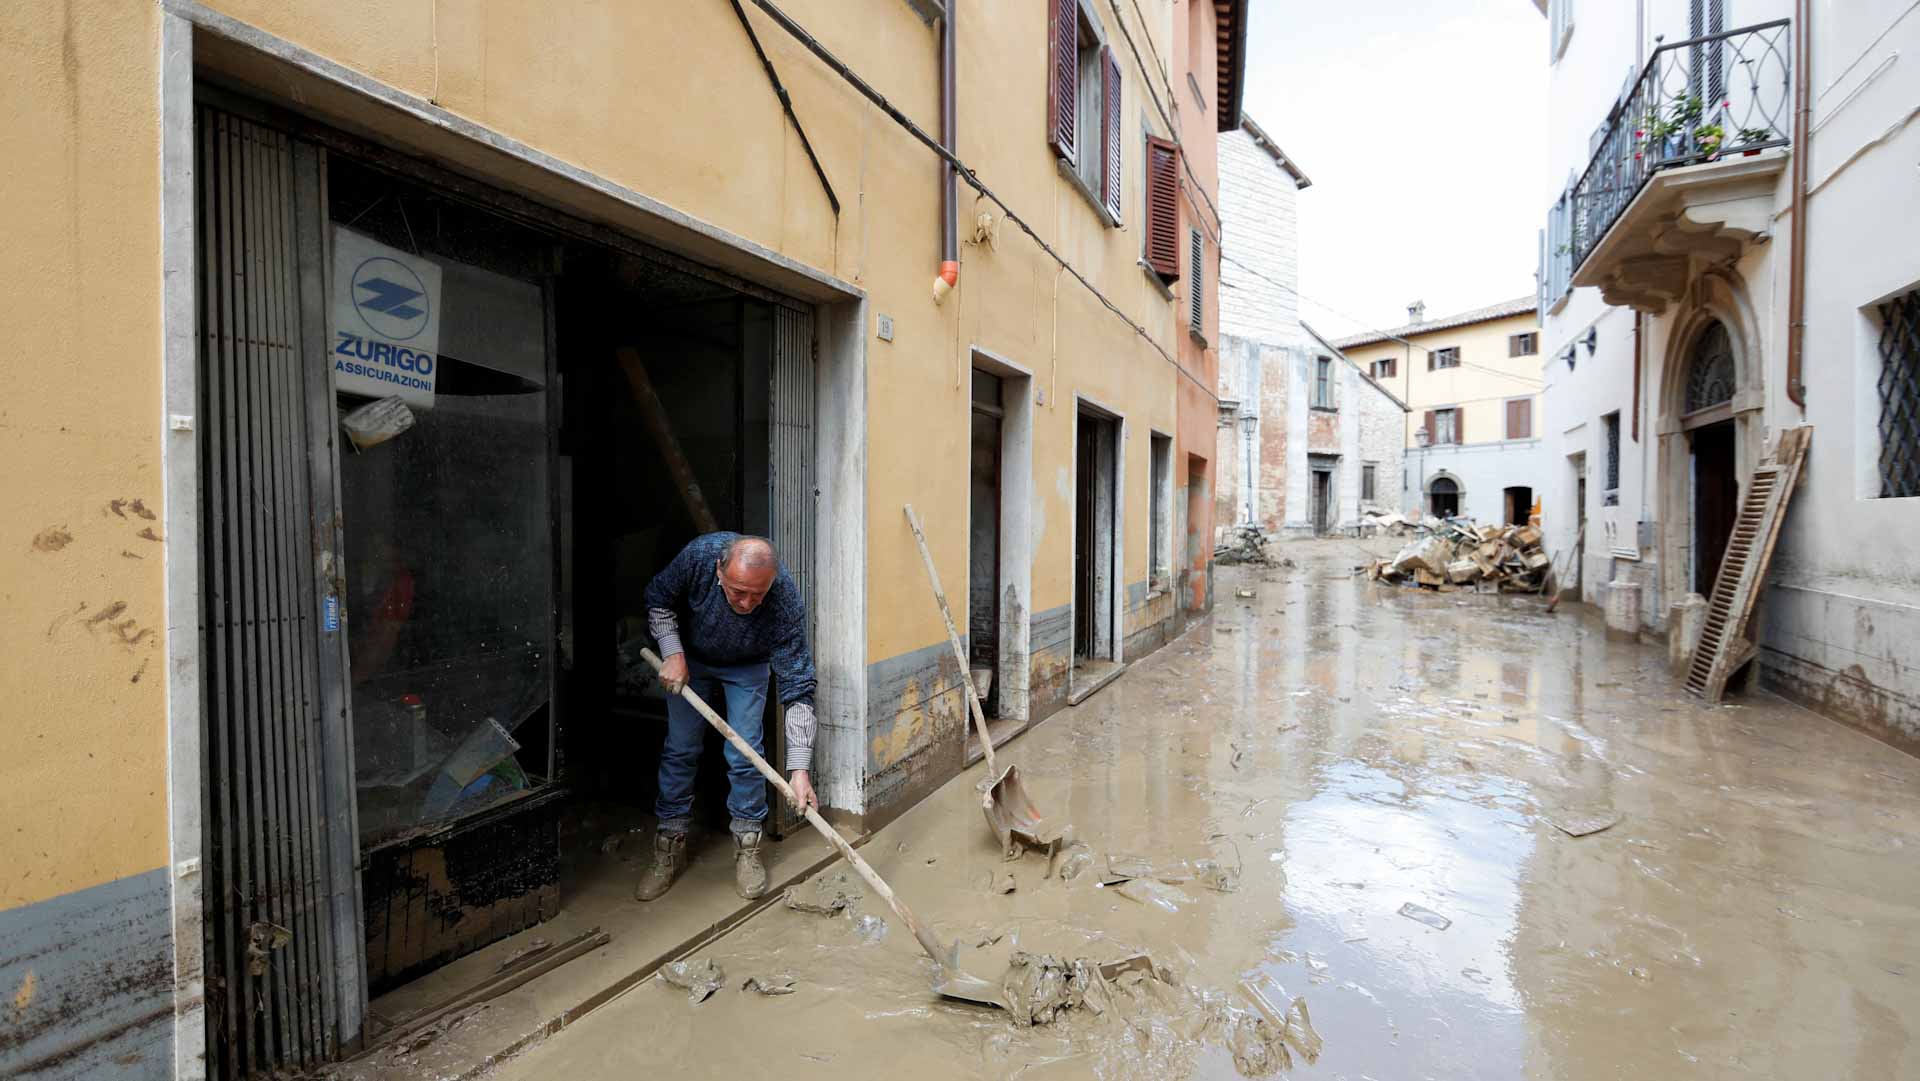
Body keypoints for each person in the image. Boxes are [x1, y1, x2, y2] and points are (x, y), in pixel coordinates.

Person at [635, 533, 817, 901]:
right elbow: (658, 598)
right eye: (738, 591)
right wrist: (672, 652)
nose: (748, 603)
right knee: (681, 749)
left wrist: (799, 771)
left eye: (757, 595)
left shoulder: (783, 599)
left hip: (747, 666)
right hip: (690, 660)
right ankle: (669, 844)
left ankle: (748, 846)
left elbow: (798, 687)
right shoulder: (700, 556)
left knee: (746, 752)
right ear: (719, 571)